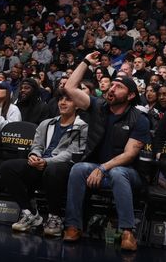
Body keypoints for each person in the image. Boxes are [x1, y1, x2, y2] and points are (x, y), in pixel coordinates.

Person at [61, 52, 150, 252]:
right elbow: (69, 87)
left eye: (119, 87)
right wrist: (85, 62)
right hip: (98, 170)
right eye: (112, 85)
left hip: (129, 174)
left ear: (131, 95)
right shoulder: (98, 107)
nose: (112, 88)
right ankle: (73, 226)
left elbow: (129, 155)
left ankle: (127, 232)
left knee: (118, 173)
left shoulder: (139, 119)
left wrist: (103, 168)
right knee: (78, 169)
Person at [0, 93, 88, 237]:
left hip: (63, 166)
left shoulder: (82, 127)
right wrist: (34, 156)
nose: (63, 102)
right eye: (61, 99)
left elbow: (72, 153)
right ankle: (30, 213)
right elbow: (37, 145)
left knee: (53, 170)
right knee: (7, 167)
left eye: (68, 100)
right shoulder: (47, 123)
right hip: (40, 163)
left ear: (77, 105)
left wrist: (47, 162)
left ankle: (55, 216)